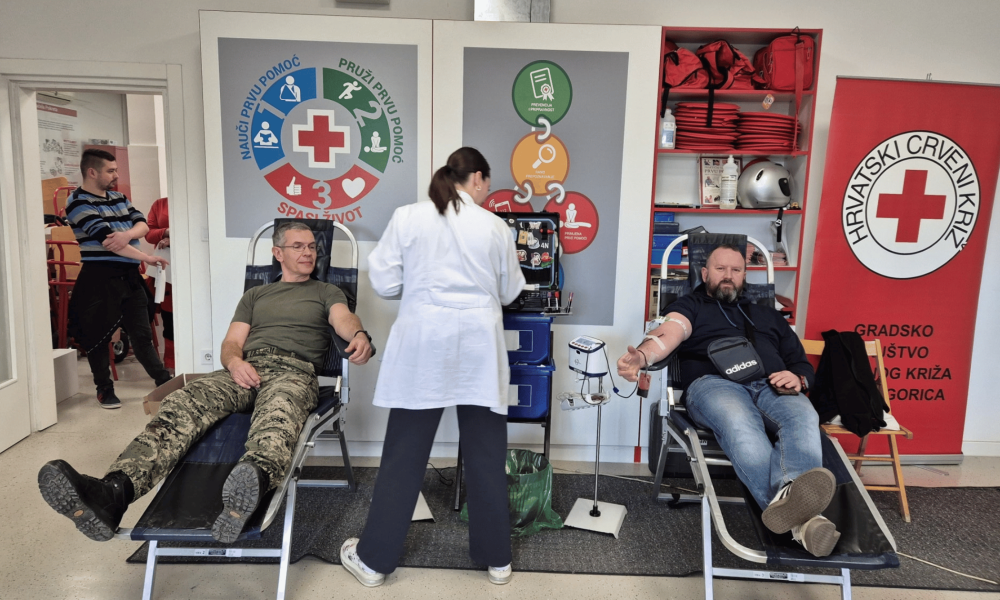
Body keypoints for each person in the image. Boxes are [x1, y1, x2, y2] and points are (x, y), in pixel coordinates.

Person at [39, 222, 373, 544]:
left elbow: (343, 318)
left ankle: (251, 487)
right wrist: (236, 363)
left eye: (312, 247)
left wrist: (358, 334)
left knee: (278, 413)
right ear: (277, 253)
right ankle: (114, 493)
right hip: (245, 369)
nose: (308, 253)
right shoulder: (255, 295)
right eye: (298, 246)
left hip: (293, 371)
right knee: (184, 402)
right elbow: (231, 343)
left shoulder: (326, 291)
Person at [340, 147, 525, 587]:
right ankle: (497, 561)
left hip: (424, 346)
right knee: (486, 454)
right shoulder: (495, 226)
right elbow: (509, 292)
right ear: (477, 178)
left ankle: (373, 563)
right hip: (478, 349)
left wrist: (423, 287)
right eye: (487, 182)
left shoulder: (408, 217)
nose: (486, 190)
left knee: (404, 454)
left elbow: (385, 281)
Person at [617, 244, 839, 558]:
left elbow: (800, 362)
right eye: (720, 269)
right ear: (705, 273)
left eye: (736, 270)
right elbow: (668, 333)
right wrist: (641, 356)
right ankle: (804, 519)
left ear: (744, 276)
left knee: (804, 415)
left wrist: (798, 378)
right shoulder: (691, 305)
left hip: (773, 386)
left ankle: (799, 517)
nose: (728, 276)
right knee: (740, 423)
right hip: (714, 385)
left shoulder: (768, 315)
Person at [66, 149, 171, 409]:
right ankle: (104, 389)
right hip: (99, 277)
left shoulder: (118, 197)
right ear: (92, 172)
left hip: (129, 277)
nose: (116, 175)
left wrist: (126, 235)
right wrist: (145, 257)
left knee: (142, 334)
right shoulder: (78, 202)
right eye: (111, 171)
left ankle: (163, 382)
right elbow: (109, 242)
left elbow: (143, 225)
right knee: (99, 336)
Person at [144, 197, 173, 370]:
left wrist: (175, 239)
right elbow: (149, 234)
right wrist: (168, 232)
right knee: (168, 318)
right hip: (165, 271)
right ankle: (170, 364)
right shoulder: (159, 204)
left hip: (193, 268)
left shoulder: (197, 200)